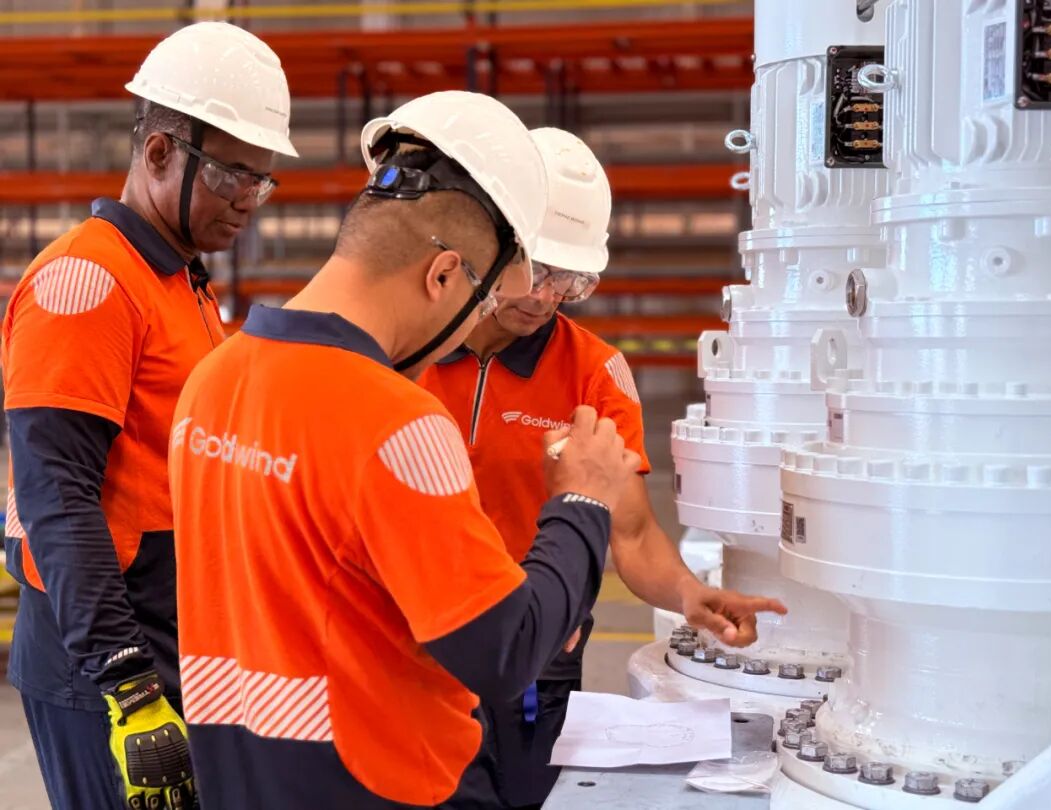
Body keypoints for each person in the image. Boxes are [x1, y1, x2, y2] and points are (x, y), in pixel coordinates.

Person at [167, 90, 641, 809]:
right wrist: (582, 499)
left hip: (243, 779)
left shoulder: (213, 378)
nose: (471, 329)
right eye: (480, 304)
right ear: (443, 274)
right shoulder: (396, 420)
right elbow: (504, 650)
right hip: (391, 783)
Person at [418, 127, 787, 808]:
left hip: (535, 650)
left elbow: (633, 532)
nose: (544, 296)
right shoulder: (412, 344)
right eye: (536, 268)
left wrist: (687, 593)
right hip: (417, 645)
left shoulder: (594, 373)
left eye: (570, 281)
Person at [2, 22, 297, 810]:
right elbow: (57, 495)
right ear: (160, 152)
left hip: (163, 633)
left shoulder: (178, 282)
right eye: (234, 174)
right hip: (105, 660)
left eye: (262, 179)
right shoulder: (86, 281)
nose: (249, 199)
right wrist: (127, 683)